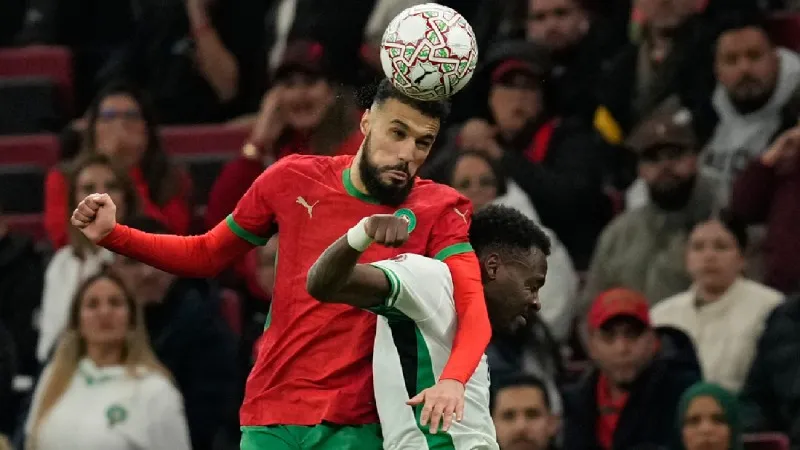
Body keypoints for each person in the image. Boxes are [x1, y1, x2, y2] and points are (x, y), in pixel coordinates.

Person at [70, 78, 492, 449]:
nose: (406, 154)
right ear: (366, 123)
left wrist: (453, 380)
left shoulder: (440, 207)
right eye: (396, 133)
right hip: (271, 413)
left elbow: (472, 305)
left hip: (361, 422)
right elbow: (206, 254)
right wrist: (114, 235)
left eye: (422, 143)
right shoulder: (291, 178)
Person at [306, 204, 551, 449]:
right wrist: (361, 235)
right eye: (532, 286)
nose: (536, 302)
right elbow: (325, 285)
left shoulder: (473, 331)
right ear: (493, 267)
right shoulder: (433, 279)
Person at [24, 271, 190, 450]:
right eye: (92, 305)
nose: (104, 312)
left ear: (131, 320)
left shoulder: (155, 390)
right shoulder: (55, 377)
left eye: (115, 303)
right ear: (78, 323)